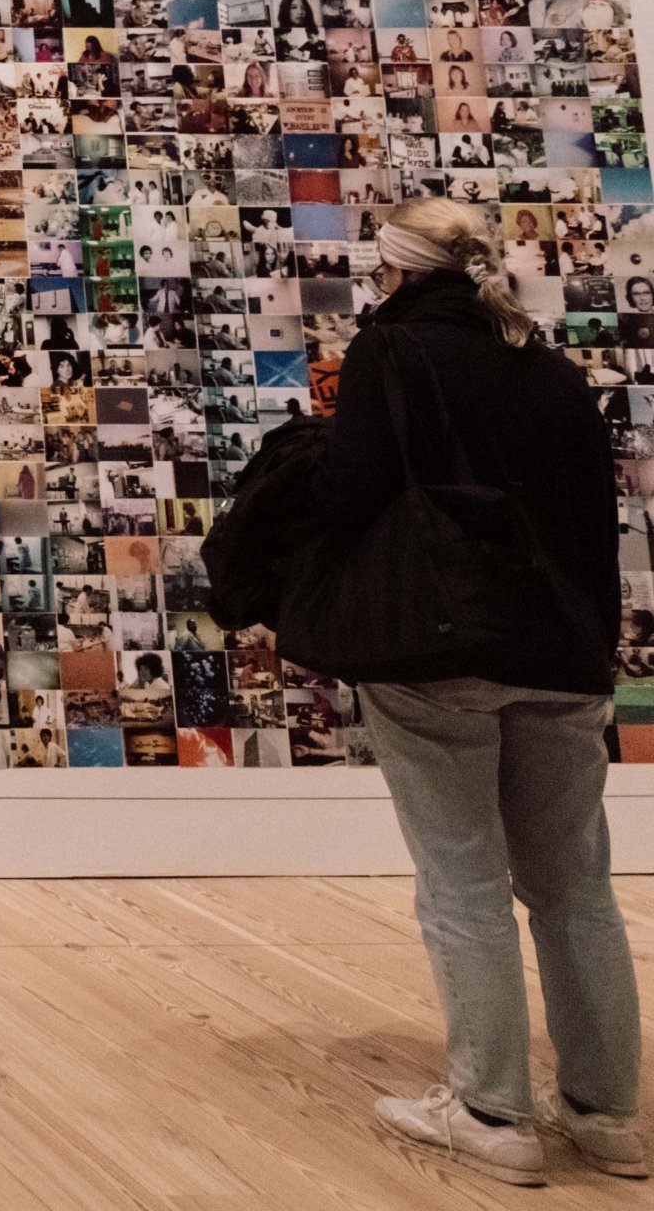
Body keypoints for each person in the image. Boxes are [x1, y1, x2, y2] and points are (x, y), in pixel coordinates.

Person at [314, 196, 641, 1188]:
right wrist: (593, 651)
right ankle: (607, 1111)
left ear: (399, 269)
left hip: (439, 646)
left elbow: (349, 495)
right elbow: (596, 523)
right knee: (575, 885)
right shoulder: (552, 370)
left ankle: (493, 1109)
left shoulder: (395, 352)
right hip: (562, 655)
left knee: (461, 881)